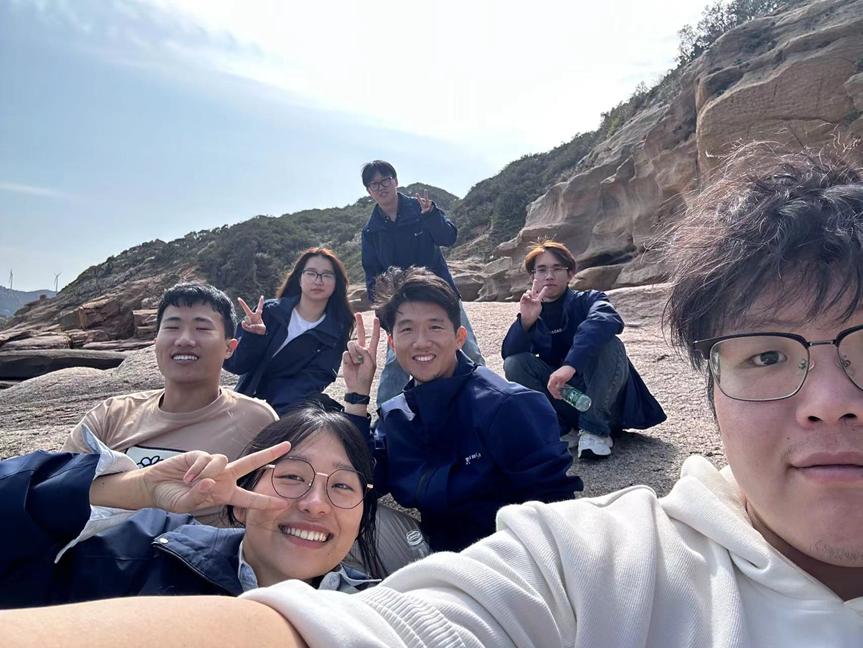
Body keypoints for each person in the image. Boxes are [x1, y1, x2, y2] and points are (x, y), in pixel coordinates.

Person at [5, 143, 863, 646]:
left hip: (491, 522)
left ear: (457, 334)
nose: (828, 401)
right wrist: (352, 410)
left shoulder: (518, 414)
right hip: (448, 551)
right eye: (766, 357)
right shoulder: (586, 565)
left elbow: (549, 508)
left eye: (859, 353)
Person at [0, 406, 381, 609]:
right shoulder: (139, 552)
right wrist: (134, 488)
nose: (315, 505)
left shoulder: (381, 612)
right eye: (293, 477)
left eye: (342, 486)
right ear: (242, 500)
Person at [341, 267, 581, 552]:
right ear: (392, 343)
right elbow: (358, 485)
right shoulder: (397, 416)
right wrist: (357, 397)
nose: (421, 342)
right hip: (435, 553)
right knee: (339, 516)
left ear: (459, 337)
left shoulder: (507, 406)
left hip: (507, 558)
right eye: (407, 329)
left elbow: (555, 506)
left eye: (435, 327)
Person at [63, 283, 278, 470]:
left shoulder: (257, 420)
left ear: (229, 348)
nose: (184, 340)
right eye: (172, 327)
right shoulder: (110, 415)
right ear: (155, 342)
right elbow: (56, 487)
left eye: (202, 328)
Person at [501, 240, 666, 458]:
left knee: (609, 342)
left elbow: (605, 319)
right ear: (533, 277)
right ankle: (561, 431)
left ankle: (594, 430)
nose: (549, 276)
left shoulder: (589, 299)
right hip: (567, 403)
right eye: (541, 270)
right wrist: (525, 321)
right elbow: (510, 356)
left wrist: (570, 365)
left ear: (570, 274)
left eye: (557, 268)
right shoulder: (533, 312)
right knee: (515, 363)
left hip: (606, 403)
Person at [360, 160, 485, 403]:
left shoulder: (421, 209)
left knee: (466, 346)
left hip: (439, 293)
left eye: (385, 181)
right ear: (369, 191)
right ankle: (385, 413)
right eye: (375, 184)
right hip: (400, 302)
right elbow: (372, 274)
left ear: (396, 181)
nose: (381, 187)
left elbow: (448, 237)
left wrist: (431, 216)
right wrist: (383, 314)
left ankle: (487, 396)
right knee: (396, 360)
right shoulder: (371, 231)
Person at [223, 247, 354, 415]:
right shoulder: (269, 312)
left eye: (327, 275)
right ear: (299, 278)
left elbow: (315, 378)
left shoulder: (336, 330)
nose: (318, 280)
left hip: (288, 410)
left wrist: (271, 410)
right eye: (311, 273)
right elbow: (236, 364)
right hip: (244, 403)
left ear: (337, 283)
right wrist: (253, 337)